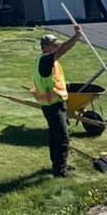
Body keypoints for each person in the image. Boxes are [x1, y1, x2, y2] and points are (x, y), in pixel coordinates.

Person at [32, 28, 82, 178]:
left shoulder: (48, 61)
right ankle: (60, 172)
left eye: (57, 44)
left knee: (55, 136)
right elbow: (64, 49)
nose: (57, 47)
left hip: (56, 104)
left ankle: (58, 164)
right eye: (54, 45)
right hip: (52, 106)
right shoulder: (46, 60)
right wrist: (77, 36)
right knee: (62, 137)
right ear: (45, 46)